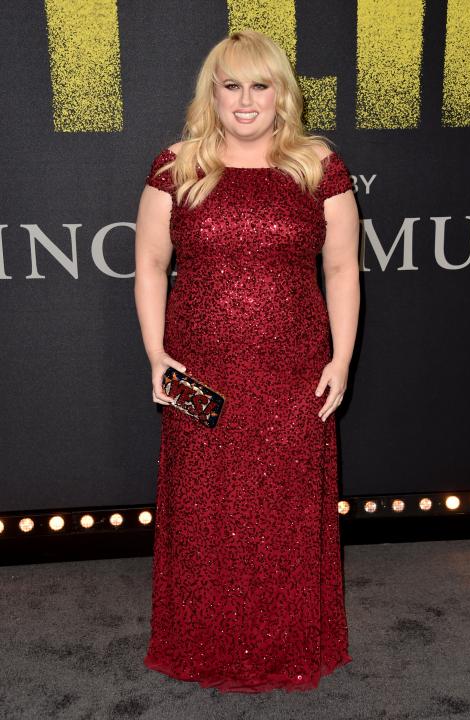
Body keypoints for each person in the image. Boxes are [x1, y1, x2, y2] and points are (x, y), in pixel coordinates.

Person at [134, 29, 360, 693]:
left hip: (293, 374)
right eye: (231, 85)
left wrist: (341, 359)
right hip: (199, 374)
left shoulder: (318, 166)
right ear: (212, 92)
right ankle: (204, 643)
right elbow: (149, 265)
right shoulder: (177, 166)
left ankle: (289, 644)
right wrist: (157, 355)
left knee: (284, 514)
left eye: (259, 85)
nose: (245, 99)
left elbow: (342, 269)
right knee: (204, 511)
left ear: (281, 92)